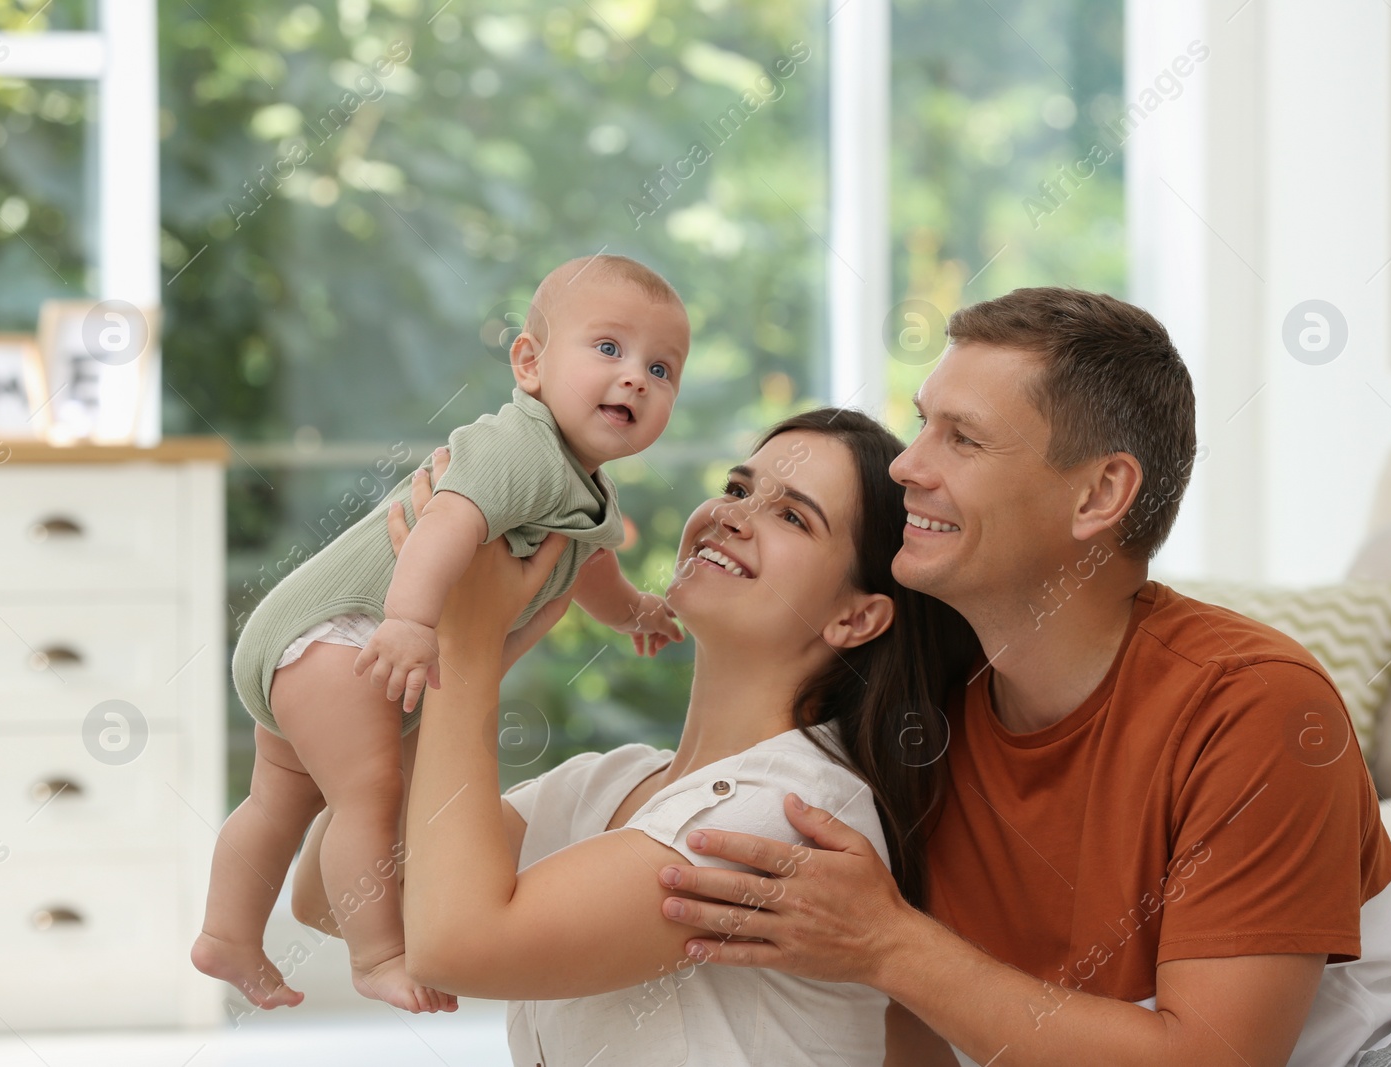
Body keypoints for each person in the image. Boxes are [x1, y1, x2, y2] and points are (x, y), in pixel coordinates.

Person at [653, 288, 1391, 1067]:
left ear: (1099, 494)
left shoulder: (1254, 705)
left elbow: (1212, 1059)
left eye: (963, 438)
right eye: (921, 425)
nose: (908, 465)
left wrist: (889, 943)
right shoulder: (924, 707)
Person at [292, 409, 979, 1064]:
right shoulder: (610, 781)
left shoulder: (792, 814)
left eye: (792, 515)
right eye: (738, 487)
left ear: (856, 619)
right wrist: (458, 645)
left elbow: (457, 944)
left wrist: (466, 647)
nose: (731, 514)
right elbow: (334, 897)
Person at [192, 254, 688, 1014]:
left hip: (312, 638)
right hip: (347, 633)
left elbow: (589, 569)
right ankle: (379, 954)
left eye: (662, 368)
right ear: (529, 362)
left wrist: (635, 613)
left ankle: (226, 932)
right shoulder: (521, 447)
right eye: (609, 349)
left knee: (279, 800)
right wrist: (410, 620)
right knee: (371, 794)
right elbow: (449, 515)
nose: (635, 379)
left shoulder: (581, 487)